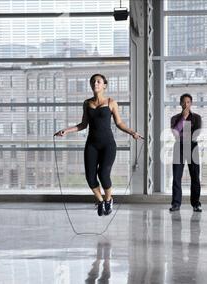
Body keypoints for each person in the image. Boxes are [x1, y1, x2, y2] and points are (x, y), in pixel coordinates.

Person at [54, 74, 143, 216]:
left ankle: (109, 199)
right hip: (92, 145)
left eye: (98, 81)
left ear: (104, 85)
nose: (95, 83)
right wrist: (66, 131)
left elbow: (119, 123)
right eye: (93, 81)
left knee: (103, 174)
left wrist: (132, 132)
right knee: (90, 177)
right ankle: (100, 201)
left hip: (108, 144)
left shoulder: (111, 102)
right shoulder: (87, 103)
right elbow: (83, 125)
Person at [169, 93, 202, 212]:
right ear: (180, 103)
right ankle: (176, 204)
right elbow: (176, 133)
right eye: (183, 102)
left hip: (193, 147)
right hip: (179, 147)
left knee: (195, 177)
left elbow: (196, 133)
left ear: (191, 103)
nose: (185, 104)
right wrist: (183, 118)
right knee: (177, 177)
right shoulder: (174, 118)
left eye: (188, 102)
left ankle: (196, 204)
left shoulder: (197, 117)